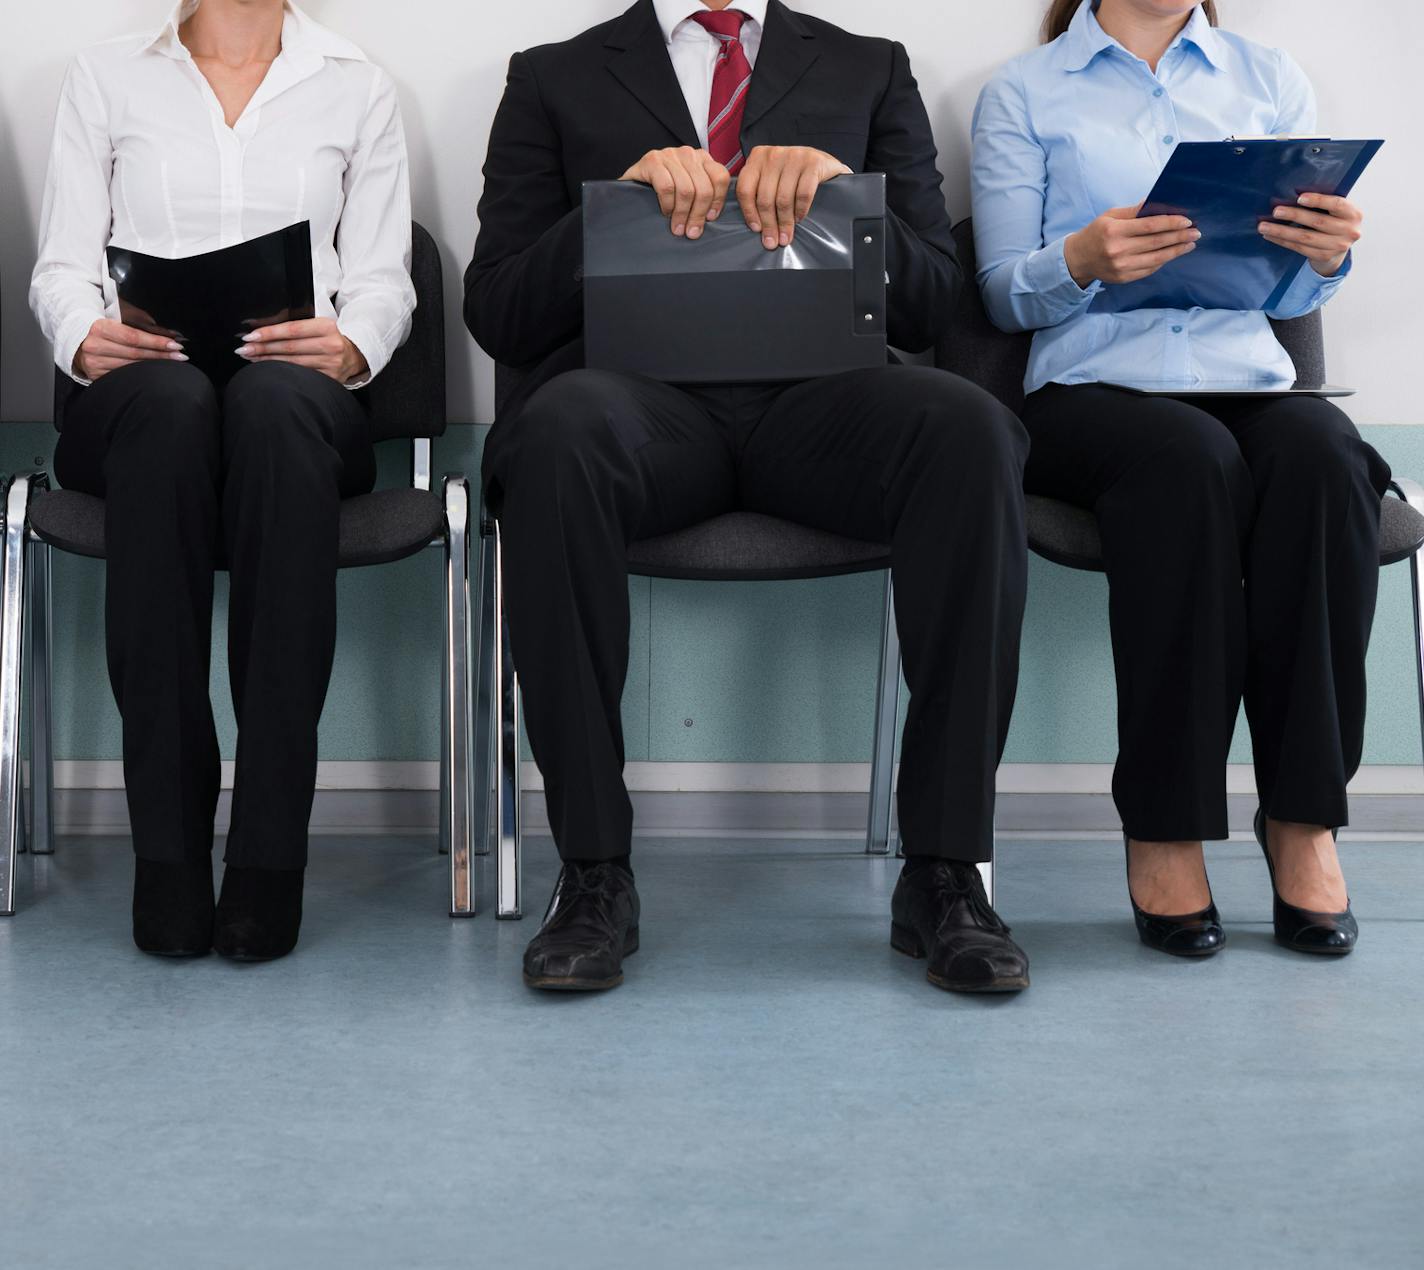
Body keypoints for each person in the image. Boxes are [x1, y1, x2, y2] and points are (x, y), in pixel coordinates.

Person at [468, 0, 1032, 994]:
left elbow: (936, 297)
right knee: (553, 437)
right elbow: (500, 308)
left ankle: (945, 871)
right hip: (638, 411)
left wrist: (841, 196)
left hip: (823, 408)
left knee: (969, 430)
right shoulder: (550, 74)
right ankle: (594, 873)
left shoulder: (868, 66)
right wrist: (620, 198)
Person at [971, 0, 1386, 957]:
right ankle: (1164, 825)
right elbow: (997, 288)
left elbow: (1303, 287)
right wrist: (1078, 260)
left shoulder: (1269, 77)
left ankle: (1302, 820)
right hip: (1092, 393)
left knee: (1325, 457)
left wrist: (1328, 256)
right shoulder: (1026, 90)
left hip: (1243, 378)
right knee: (1186, 463)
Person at [29, 0, 415, 961]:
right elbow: (60, 266)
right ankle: (166, 849)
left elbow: (385, 277)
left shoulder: (356, 84)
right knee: (172, 404)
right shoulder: (106, 75)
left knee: (271, 404)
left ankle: (267, 855)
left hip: (297, 412)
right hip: (136, 407)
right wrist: (83, 331)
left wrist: (350, 342)